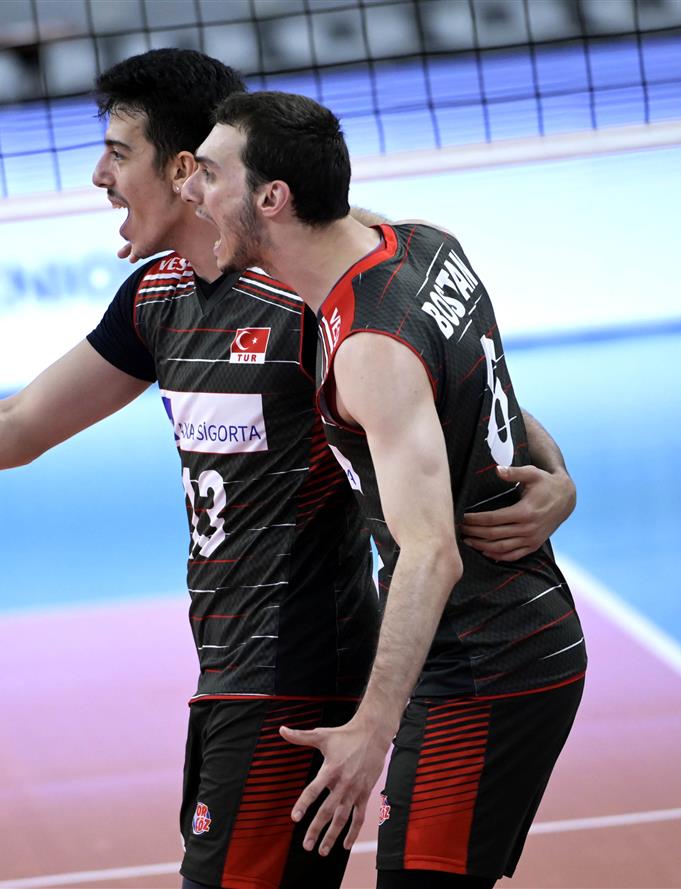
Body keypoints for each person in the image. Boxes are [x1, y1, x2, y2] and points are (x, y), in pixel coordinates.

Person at [0, 52, 577, 889]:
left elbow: (441, 378)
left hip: (299, 669)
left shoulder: (310, 301)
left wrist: (554, 478)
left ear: (188, 170)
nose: (99, 176)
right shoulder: (158, 298)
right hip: (229, 667)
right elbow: (14, 425)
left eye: (119, 153)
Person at [180, 91, 586, 888]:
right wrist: (561, 475)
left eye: (211, 174)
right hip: (512, 642)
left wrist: (371, 728)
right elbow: (481, 384)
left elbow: (431, 552)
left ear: (274, 197)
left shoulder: (368, 347)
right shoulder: (426, 246)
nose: (193, 188)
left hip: (485, 664)